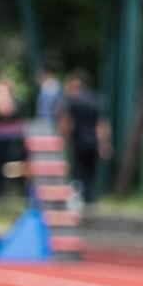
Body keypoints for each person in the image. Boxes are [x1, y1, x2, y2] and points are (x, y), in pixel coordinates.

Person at [57, 70, 110, 205]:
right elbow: (102, 123)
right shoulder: (96, 99)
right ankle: (91, 199)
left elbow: (68, 123)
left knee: (78, 172)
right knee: (91, 172)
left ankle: (78, 199)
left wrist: (64, 139)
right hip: (93, 141)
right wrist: (104, 143)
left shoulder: (73, 102)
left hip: (78, 141)